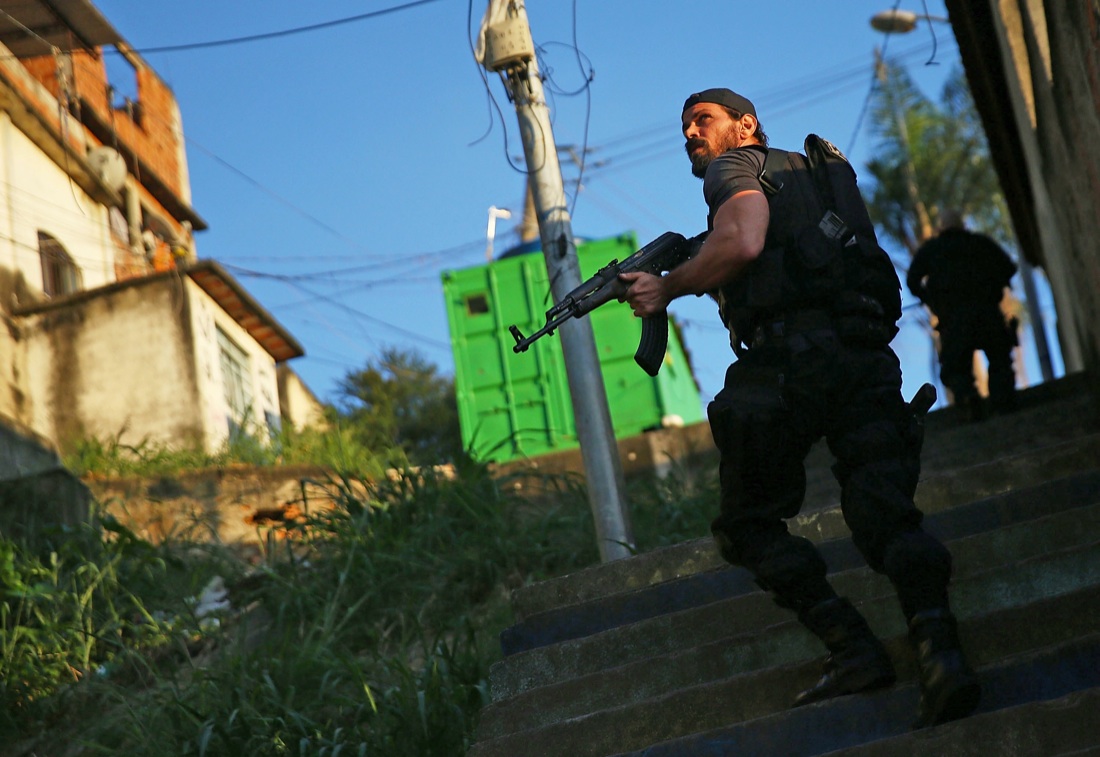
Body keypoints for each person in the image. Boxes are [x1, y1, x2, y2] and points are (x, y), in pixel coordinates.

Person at [620, 88, 981, 728]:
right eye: (685, 127)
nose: (691, 134)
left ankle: (853, 648)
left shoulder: (735, 167)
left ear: (746, 126)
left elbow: (743, 242)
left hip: (787, 366)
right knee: (886, 512)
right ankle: (940, 653)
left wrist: (666, 287)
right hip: (861, 355)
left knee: (747, 524)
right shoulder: (814, 175)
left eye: (703, 120)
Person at [907, 209, 1019, 421]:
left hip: (953, 320)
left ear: (941, 228)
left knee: (957, 369)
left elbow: (913, 280)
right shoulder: (979, 243)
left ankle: (970, 403)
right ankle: (1003, 404)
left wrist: (929, 298)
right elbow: (1008, 268)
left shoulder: (932, 249)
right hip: (987, 313)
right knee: (1000, 360)